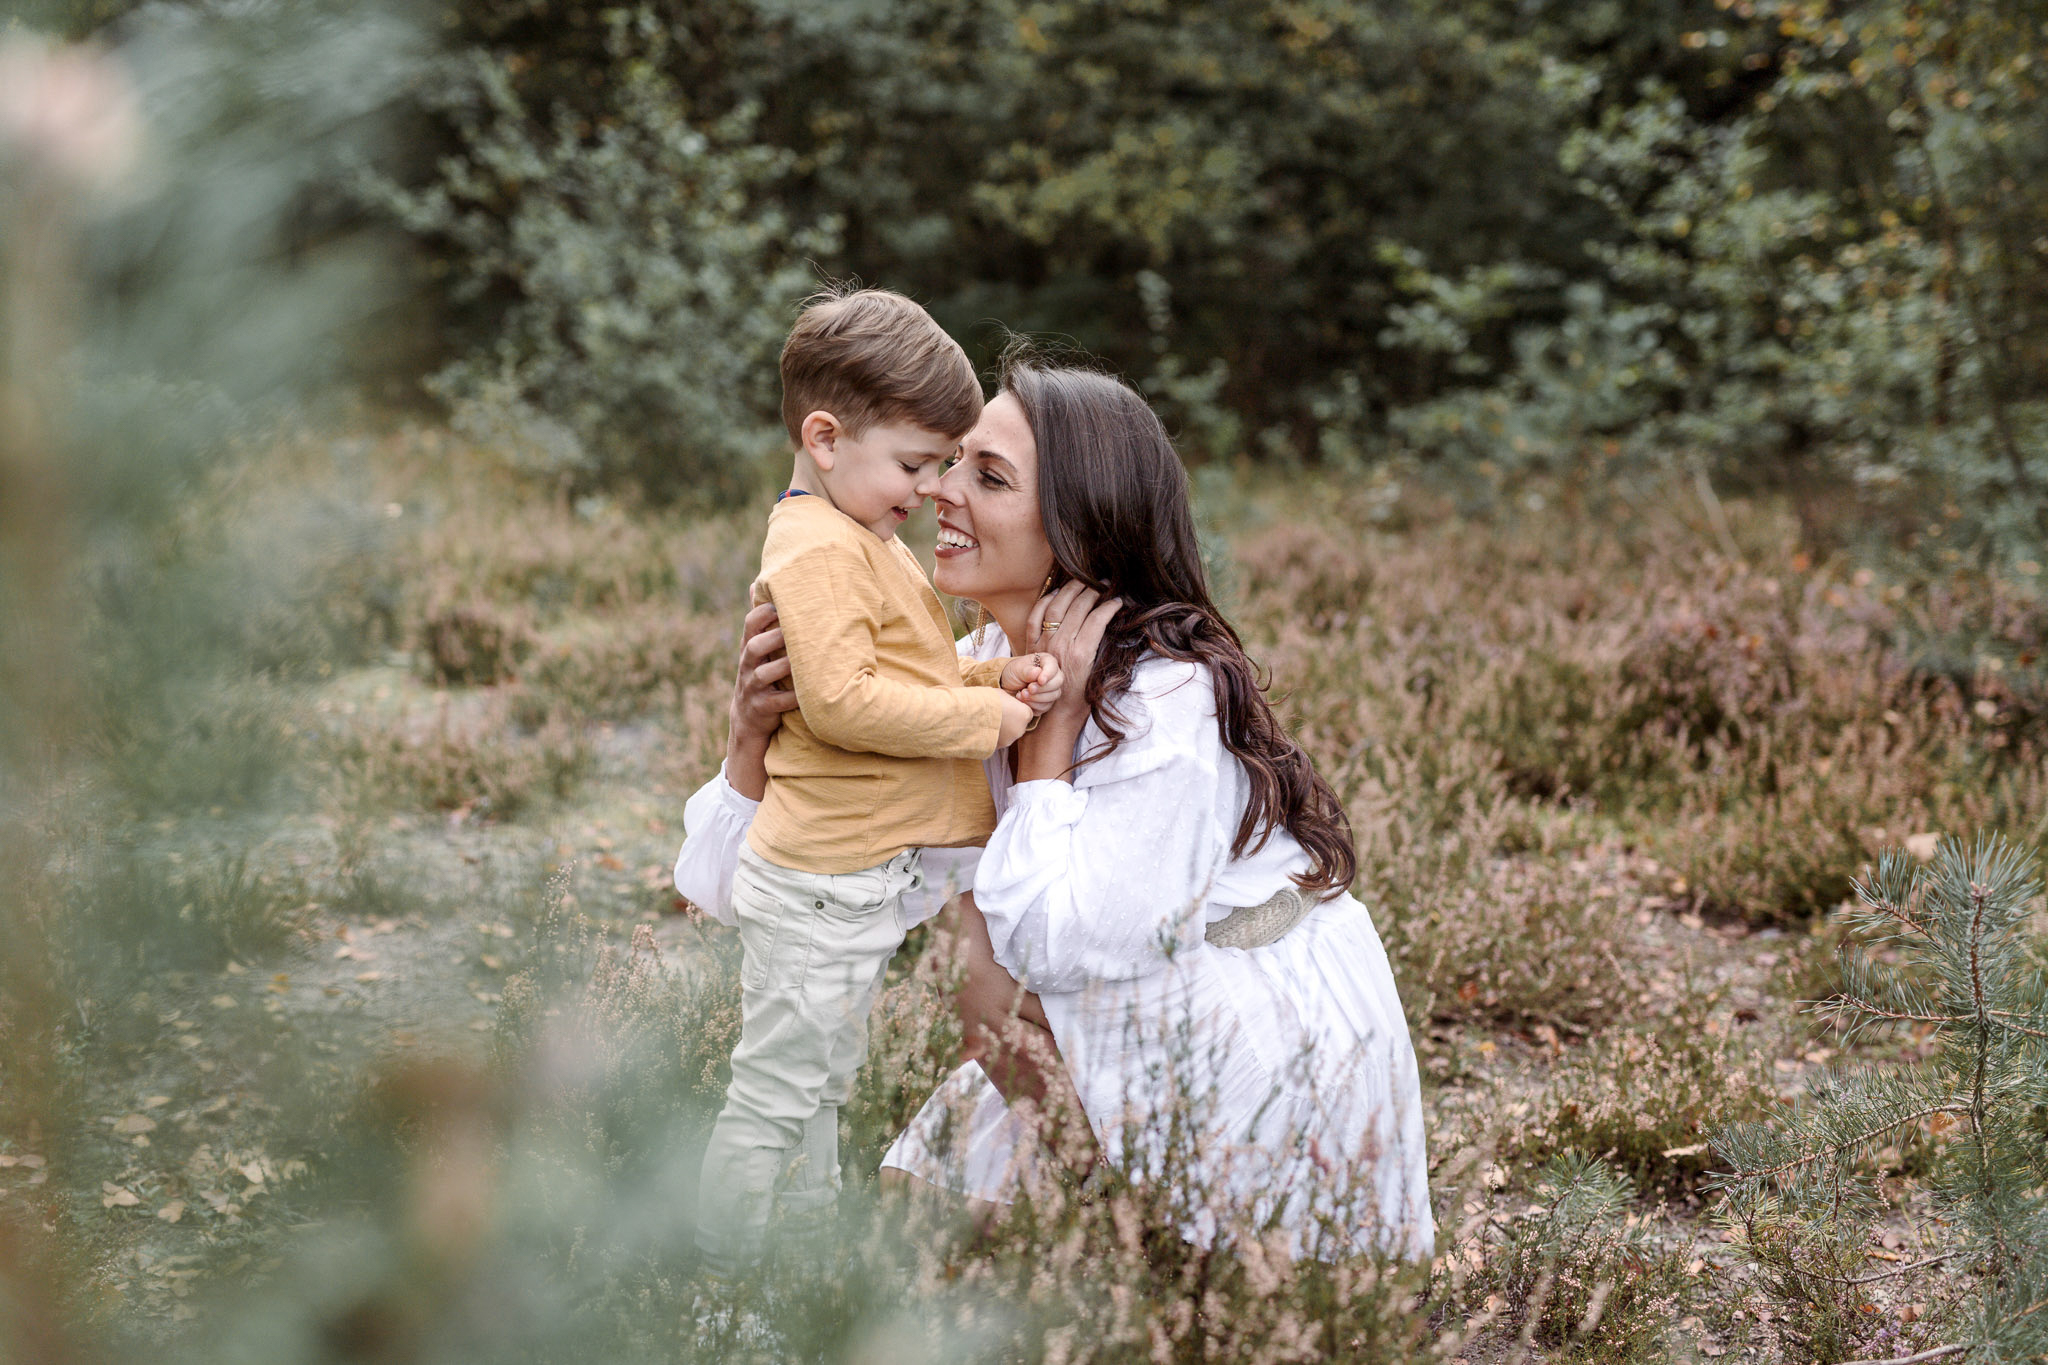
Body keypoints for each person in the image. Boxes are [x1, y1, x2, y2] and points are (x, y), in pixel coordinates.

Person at [678, 352, 1431, 1261]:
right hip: (1101, 1007)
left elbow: (1063, 947)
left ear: (1082, 525)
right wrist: (749, 743)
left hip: (1250, 1025)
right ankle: (1111, 1214)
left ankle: (1157, 1238)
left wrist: (1043, 756)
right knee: (914, 1218)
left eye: (989, 476)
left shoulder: (1163, 697)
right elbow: (743, 893)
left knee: (976, 956)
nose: (940, 489)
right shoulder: (974, 672)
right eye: (950, 461)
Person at [687, 288, 1061, 1275]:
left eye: (942, 464)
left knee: (819, 1085)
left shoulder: (860, 538)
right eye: (914, 463)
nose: (929, 488)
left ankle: (800, 1256)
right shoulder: (815, 548)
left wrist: (987, 678)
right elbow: (845, 704)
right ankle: (715, 1291)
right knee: (773, 1098)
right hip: (817, 885)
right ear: (824, 439)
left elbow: (907, 676)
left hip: (845, 883)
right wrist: (987, 719)